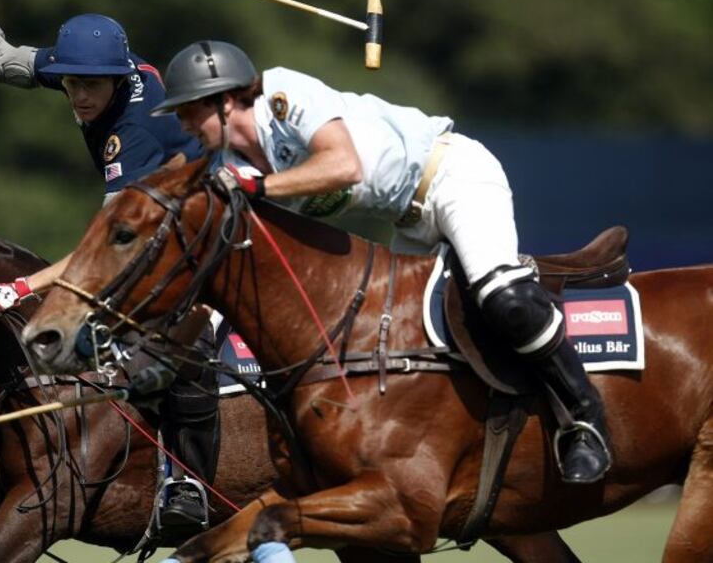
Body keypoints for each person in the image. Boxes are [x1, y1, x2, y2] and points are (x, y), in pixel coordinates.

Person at [150, 40, 613, 485]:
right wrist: (168, 360)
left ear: (226, 101)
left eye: (189, 110)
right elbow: (224, 272)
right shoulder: (235, 169)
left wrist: (260, 191)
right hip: (409, 224)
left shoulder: (281, 96)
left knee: (503, 298)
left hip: (453, 177)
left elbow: (345, 164)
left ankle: (584, 419)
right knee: (394, 350)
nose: (186, 125)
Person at [0, 0, 216, 530]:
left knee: (182, 334)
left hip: (206, 216)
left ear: (114, 78)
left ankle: (188, 484)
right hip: (155, 220)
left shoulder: (131, 128)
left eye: (89, 85)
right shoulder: (95, 73)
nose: (78, 95)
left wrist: (22, 288)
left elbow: (108, 246)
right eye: (71, 82)